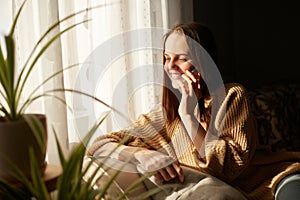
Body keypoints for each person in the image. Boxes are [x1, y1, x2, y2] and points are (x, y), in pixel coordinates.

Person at [86, 22, 300, 200]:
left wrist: (188, 116)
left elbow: (226, 170)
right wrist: (142, 155)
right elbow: (98, 146)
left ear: (203, 62)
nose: (171, 66)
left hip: (272, 182)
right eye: (166, 58)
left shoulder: (231, 96)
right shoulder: (164, 116)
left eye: (181, 58)